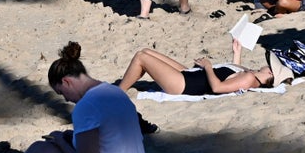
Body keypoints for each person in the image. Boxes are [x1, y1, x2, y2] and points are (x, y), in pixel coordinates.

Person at [13, 42, 147, 153]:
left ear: (66, 81)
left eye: (61, 92)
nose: (66, 99)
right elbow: (108, 136)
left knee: (39, 149)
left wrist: (60, 141)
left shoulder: (86, 106)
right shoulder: (115, 92)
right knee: (62, 143)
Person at [117, 37, 283, 95]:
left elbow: (218, 87)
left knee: (141, 57)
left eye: (269, 65)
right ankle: (126, 84)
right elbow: (232, 77)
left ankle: (117, 93)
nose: (266, 64)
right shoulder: (249, 74)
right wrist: (236, 52)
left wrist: (208, 66)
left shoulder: (249, 79)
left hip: (183, 84)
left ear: (270, 73)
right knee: (146, 51)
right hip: (189, 74)